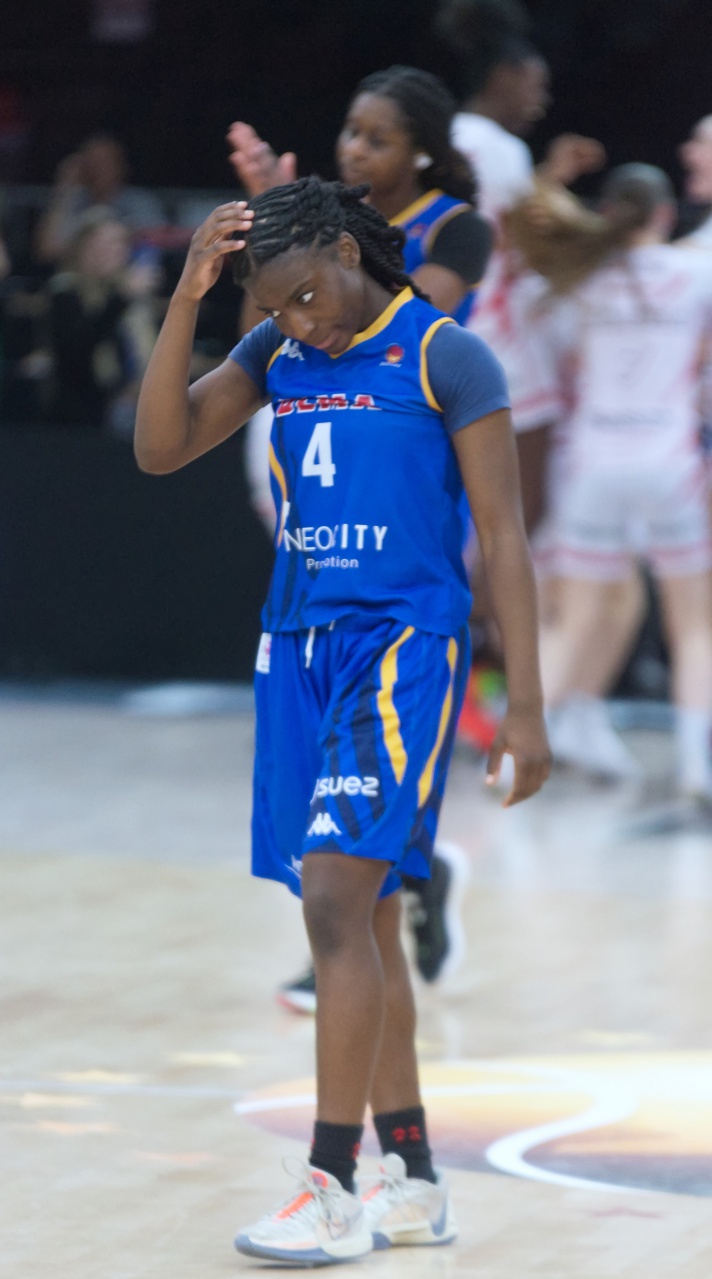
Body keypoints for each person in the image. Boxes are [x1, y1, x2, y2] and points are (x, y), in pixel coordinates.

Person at [135, 176, 550, 1265]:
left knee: (332, 900)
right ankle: (412, 1179)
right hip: (295, 651)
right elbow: (161, 446)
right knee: (364, 917)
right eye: (276, 307)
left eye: (308, 295)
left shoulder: (445, 355)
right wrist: (188, 297)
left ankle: (331, 1186)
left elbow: (503, 537)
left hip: (401, 650)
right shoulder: (278, 351)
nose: (300, 321)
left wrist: (525, 706)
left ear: (346, 251)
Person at [229, 66, 492, 997]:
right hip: (308, 428)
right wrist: (275, 230)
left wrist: (310, 249)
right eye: (350, 131)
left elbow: (395, 318)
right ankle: (383, 888)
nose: (355, 149)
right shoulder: (314, 248)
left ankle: (363, 907)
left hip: (405, 449)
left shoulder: (455, 228)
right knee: (328, 631)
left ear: (420, 149)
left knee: (390, 653)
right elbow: (275, 322)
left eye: (378, 137)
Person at [507, 166, 712, 801]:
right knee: (694, 625)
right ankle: (696, 769)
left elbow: (539, 331)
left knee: (575, 620)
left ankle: (511, 761)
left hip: (592, 463)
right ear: (665, 215)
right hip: (671, 463)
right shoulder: (697, 274)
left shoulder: (578, 282)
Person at [46, 206, 159, 429]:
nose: (108, 252)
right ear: (80, 249)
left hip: (135, 399)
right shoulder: (65, 292)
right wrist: (120, 299)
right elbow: (78, 349)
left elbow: (147, 351)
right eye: (99, 244)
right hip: (81, 409)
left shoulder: (128, 295)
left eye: (116, 244)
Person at [35, 133, 166, 266]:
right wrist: (65, 189)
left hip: (127, 273)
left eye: (105, 162)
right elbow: (47, 251)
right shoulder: (73, 201)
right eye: (91, 163)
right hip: (80, 274)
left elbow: (155, 245)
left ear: (121, 166)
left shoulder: (139, 202)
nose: (98, 170)